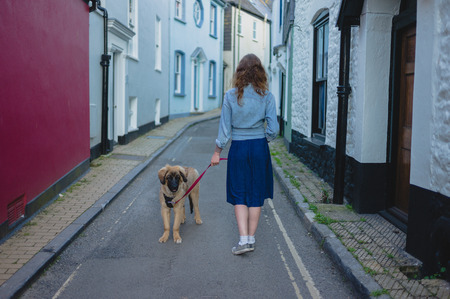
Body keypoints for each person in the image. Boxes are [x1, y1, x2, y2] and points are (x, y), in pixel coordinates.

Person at [211, 54, 279, 255]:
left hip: (238, 148)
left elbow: (224, 130)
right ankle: (251, 238)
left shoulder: (230, 96)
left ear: (239, 72)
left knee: (240, 192)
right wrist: (262, 138)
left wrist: (217, 153)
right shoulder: (267, 96)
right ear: (260, 73)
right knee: (256, 193)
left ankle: (242, 241)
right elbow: (274, 129)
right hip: (259, 147)